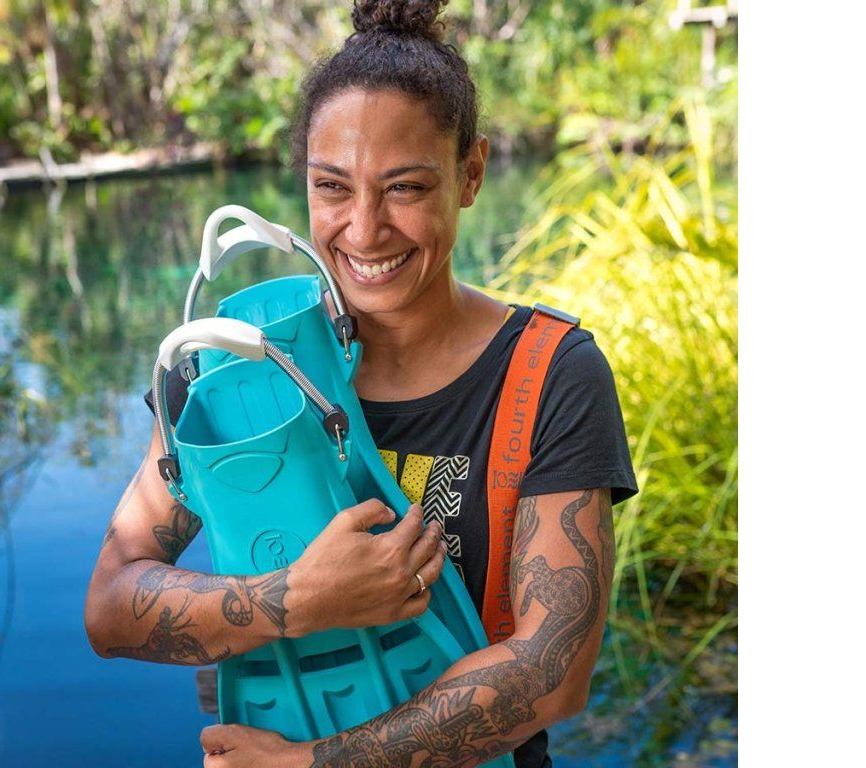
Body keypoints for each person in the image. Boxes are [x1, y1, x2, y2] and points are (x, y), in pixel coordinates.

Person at [84, 1, 638, 765]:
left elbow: (555, 673)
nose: (365, 229)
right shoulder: (231, 366)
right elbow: (110, 608)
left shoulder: (550, 374)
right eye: (333, 188)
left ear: (471, 173)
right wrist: (294, 600)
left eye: (405, 188)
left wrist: (313, 763)